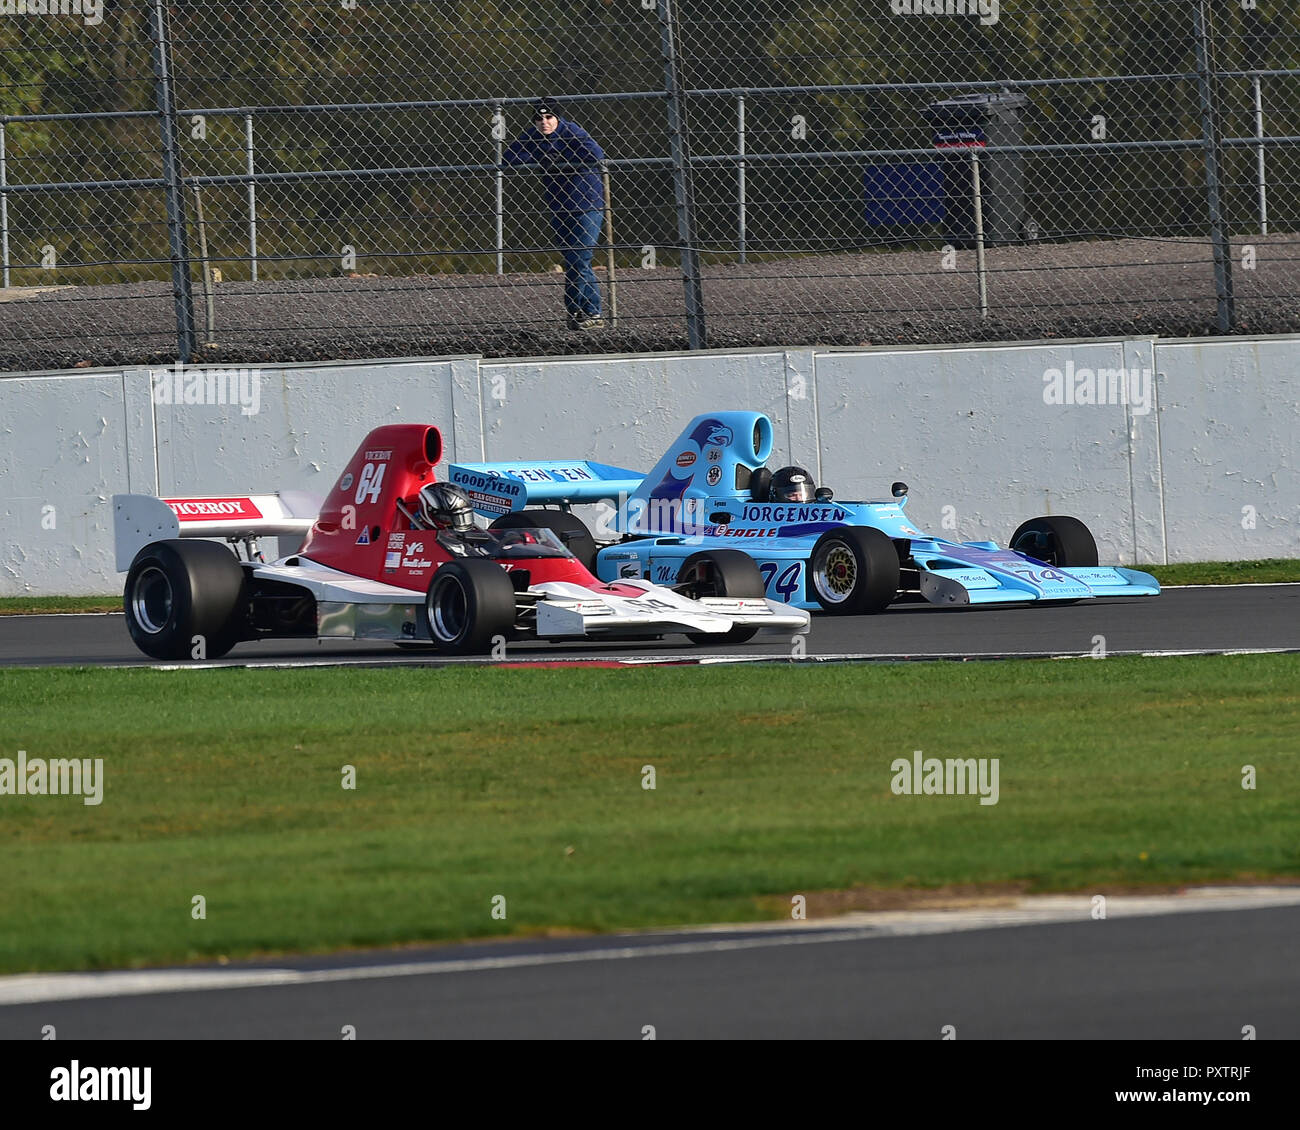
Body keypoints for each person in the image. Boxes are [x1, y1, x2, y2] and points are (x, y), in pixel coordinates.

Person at [502, 99, 607, 330]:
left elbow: (596, 154)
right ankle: (576, 311)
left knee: (580, 259)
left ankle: (592, 311)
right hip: (558, 206)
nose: (544, 123)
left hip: (585, 203)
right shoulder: (533, 135)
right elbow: (509, 159)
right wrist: (536, 157)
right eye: (539, 119)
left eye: (549, 117)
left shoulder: (572, 132)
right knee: (571, 260)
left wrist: (563, 161)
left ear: (557, 118)